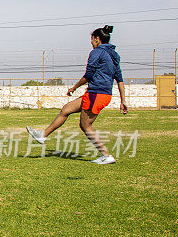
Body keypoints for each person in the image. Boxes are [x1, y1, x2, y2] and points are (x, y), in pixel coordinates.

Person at [26, 25, 128, 164]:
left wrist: (74, 87)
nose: (91, 43)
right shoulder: (113, 55)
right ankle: (43, 135)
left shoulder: (97, 52)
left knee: (85, 126)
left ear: (97, 39)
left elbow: (88, 75)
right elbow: (120, 79)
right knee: (66, 109)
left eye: (92, 40)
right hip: (98, 94)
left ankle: (106, 155)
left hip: (97, 94)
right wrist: (123, 100)